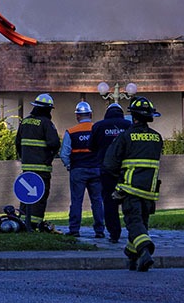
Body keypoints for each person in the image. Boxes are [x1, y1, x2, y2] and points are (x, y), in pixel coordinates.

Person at [102, 96, 164, 271]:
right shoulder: (157, 138)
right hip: (149, 192)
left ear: (133, 117)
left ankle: (145, 249)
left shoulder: (126, 136)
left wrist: (119, 177)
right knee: (140, 224)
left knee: (133, 222)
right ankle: (132, 256)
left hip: (130, 189)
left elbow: (109, 164)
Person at [60, 101, 105, 238]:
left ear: (77, 116)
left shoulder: (71, 131)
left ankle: (74, 229)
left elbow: (64, 153)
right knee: (97, 201)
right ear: (91, 114)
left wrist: (69, 165)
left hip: (78, 170)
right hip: (96, 169)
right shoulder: (97, 129)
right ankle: (99, 230)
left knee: (76, 201)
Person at [16, 93, 61, 230]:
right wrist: (50, 156)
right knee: (39, 196)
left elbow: (17, 143)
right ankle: (35, 223)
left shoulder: (24, 122)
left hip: (27, 167)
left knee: (25, 195)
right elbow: (54, 143)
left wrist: (23, 157)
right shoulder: (46, 123)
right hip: (42, 168)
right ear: (48, 109)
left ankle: (24, 221)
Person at [90, 102, 131, 243]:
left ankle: (114, 233)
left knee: (109, 202)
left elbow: (91, 147)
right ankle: (134, 230)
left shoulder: (98, 126)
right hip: (127, 170)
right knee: (129, 200)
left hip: (106, 171)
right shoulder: (128, 126)